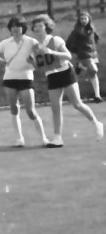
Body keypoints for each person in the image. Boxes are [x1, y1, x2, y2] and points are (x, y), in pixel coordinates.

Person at [30, 13, 104, 147]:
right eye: (35, 26)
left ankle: (97, 123)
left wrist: (52, 52)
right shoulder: (35, 47)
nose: (38, 28)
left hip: (65, 72)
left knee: (77, 104)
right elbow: (40, 65)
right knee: (55, 108)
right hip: (52, 76)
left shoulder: (55, 40)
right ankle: (58, 138)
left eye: (40, 25)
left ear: (47, 27)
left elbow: (68, 55)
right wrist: (33, 63)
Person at [0, 15, 49, 147]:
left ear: (23, 28)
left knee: (30, 110)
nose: (15, 29)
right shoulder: (5, 43)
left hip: (26, 78)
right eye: (12, 26)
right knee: (14, 108)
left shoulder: (31, 42)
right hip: (10, 78)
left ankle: (44, 138)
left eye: (18, 26)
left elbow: (39, 61)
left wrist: (33, 62)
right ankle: (19, 138)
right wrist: (4, 62)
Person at [66, 11, 102, 103]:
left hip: (93, 54)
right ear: (78, 20)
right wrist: (76, 50)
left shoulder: (92, 29)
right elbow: (69, 43)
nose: (83, 21)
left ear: (89, 19)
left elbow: (96, 38)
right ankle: (80, 65)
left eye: (85, 18)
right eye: (81, 19)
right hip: (84, 54)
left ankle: (97, 96)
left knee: (92, 74)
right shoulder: (76, 31)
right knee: (93, 70)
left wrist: (93, 48)